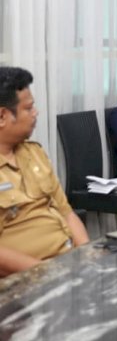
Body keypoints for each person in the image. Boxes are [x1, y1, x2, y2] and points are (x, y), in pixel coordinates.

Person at [0, 67, 89, 276]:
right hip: (24, 282)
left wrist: (86, 254)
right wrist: (45, 272)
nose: (35, 113)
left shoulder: (34, 153)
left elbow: (66, 212)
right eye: (28, 108)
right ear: (2, 116)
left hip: (66, 266)